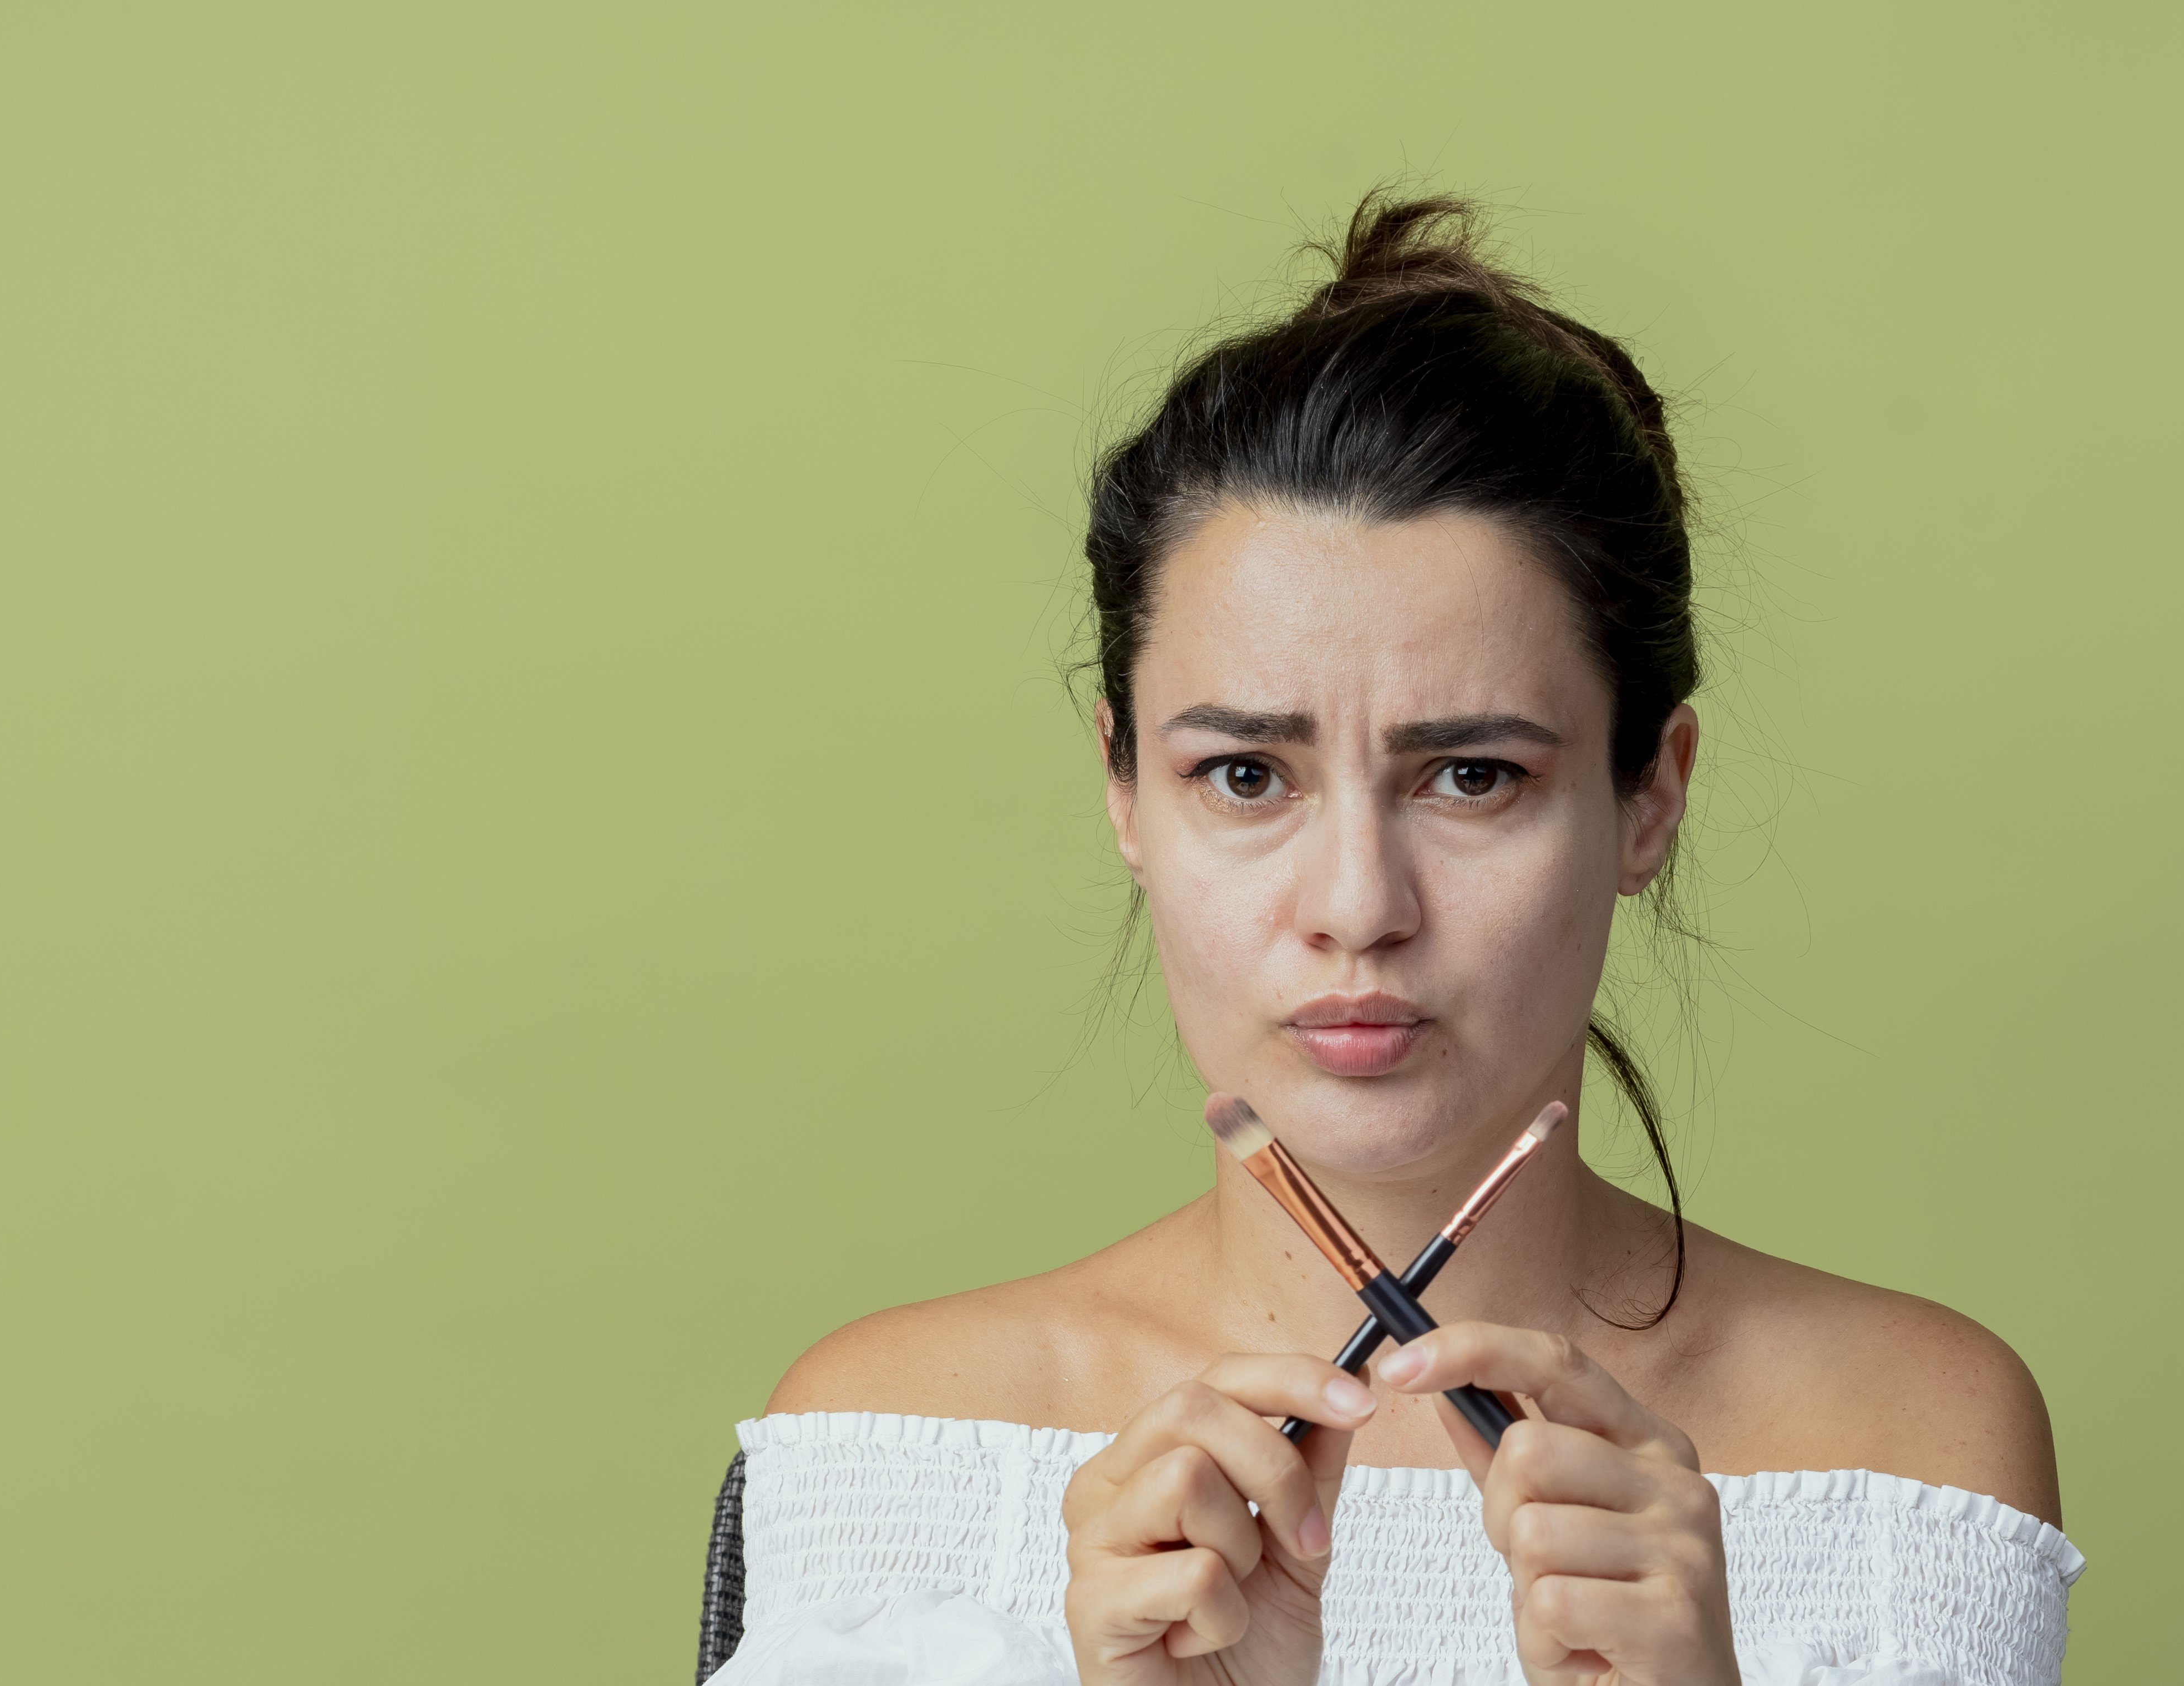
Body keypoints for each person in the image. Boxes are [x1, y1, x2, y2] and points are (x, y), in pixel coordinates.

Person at [708, 195, 2076, 1686]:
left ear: (1647, 797)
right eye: (1245, 776)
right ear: (1122, 789)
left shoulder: (1910, 1440)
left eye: (1472, 776)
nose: (1357, 907)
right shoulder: (889, 1445)